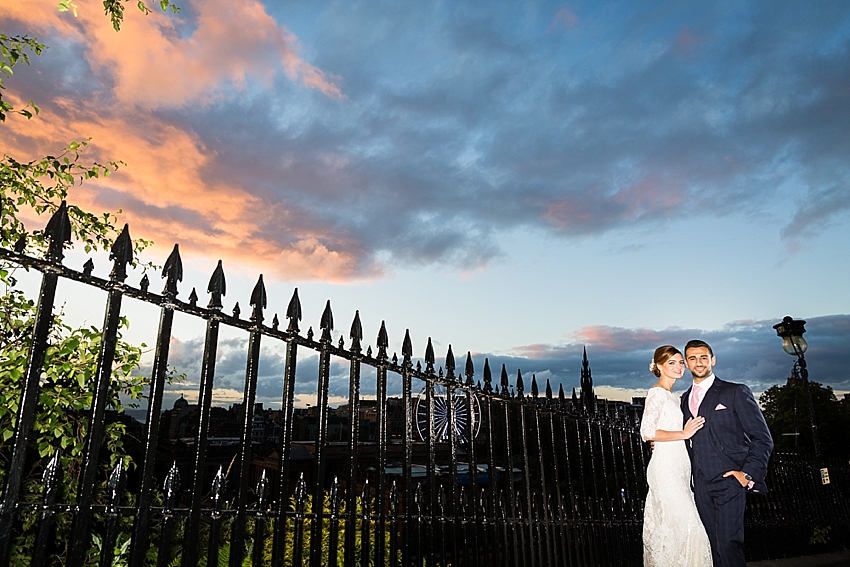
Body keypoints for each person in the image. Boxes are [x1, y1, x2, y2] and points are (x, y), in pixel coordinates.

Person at [681, 340, 774, 567]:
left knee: (728, 544)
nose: (698, 362)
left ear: (713, 360)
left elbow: (763, 438)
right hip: (700, 484)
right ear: (686, 363)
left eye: (703, 357)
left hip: (729, 481)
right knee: (713, 545)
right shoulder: (683, 399)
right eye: (692, 358)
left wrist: (747, 474)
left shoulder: (735, 391)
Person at [640, 345, 713, 566]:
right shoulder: (656, 394)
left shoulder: (675, 397)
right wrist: (683, 433)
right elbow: (647, 432)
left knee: (676, 529)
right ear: (659, 366)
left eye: (681, 362)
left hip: (681, 468)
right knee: (690, 527)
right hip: (665, 470)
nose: (679, 366)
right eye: (671, 362)